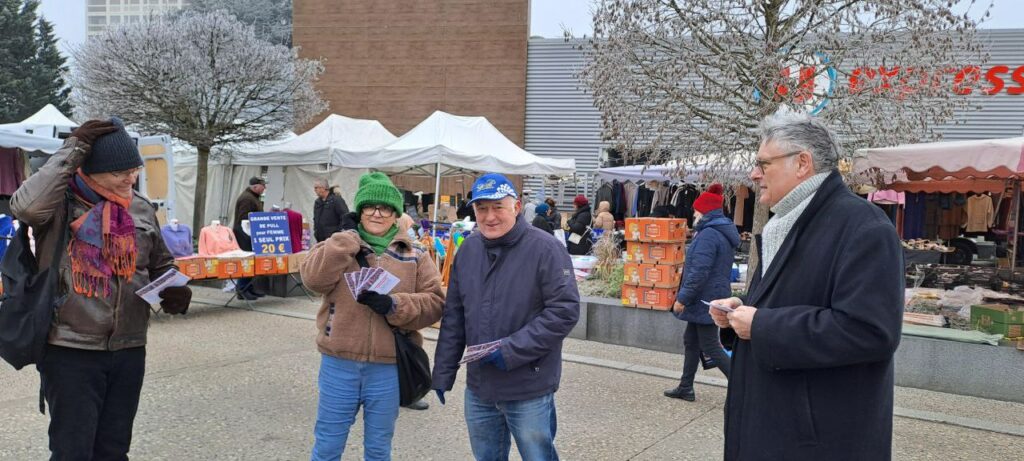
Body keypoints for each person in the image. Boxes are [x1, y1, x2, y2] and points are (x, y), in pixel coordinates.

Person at [709, 112, 903, 460]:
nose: (754, 174)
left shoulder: (863, 226)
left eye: (763, 164)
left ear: (802, 163)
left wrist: (762, 325)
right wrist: (740, 313)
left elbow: (871, 332)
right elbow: (788, 301)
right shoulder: (785, 222)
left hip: (818, 440)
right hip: (776, 425)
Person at [10, 117, 191, 460]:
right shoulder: (60, 204)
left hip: (128, 347)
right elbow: (25, 206)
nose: (131, 177)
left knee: (113, 448)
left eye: (134, 168)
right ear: (89, 171)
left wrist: (173, 287)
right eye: (120, 171)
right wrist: (74, 148)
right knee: (72, 451)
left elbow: (160, 261)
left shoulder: (139, 206)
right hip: (70, 348)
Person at [433, 173, 580, 461]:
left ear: (515, 206)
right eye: (482, 209)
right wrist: (443, 371)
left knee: (538, 456)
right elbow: (454, 317)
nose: (490, 217)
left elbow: (564, 311)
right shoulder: (468, 250)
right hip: (480, 387)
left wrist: (511, 350)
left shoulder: (545, 249)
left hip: (528, 385)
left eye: (498, 207)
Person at [300, 172, 445, 461]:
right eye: (370, 206)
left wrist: (395, 305)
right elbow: (313, 280)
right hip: (339, 363)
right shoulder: (337, 245)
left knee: (379, 448)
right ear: (359, 210)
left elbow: (436, 303)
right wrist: (344, 240)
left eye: (386, 208)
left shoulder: (415, 254)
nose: (377, 213)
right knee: (327, 445)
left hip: (388, 367)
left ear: (395, 214)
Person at [664, 184, 737, 401]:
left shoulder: (708, 235)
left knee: (710, 345)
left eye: (696, 210)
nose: (693, 213)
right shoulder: (716, 231)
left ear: (704, 211)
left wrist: (682, 299)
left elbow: (698, 272)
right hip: (708, 295)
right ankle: (685, 386)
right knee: (691, 340)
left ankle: (744, 385)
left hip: (704, 298)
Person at [233, 176, 266, 300]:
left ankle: (249, 287)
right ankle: (242, 289)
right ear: (256, 186)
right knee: (246, 261)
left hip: (250, 234)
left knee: (252, 261)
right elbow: (243, 218)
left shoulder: (253, 197)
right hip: (244, 235)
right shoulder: (247, 199)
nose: (264, 188)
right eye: (263, 186)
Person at [313, 178, 352, 243]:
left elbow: (345, 217)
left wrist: (338, 233)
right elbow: (315, 219)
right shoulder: (317, 202)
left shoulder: (336, 200)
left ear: (323, 188)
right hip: (320, 239)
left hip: (334, 239)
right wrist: (316, 231)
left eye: (316, 188)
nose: (314, 190)